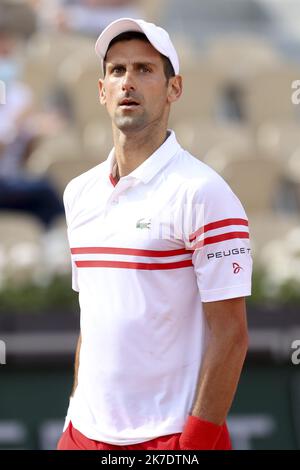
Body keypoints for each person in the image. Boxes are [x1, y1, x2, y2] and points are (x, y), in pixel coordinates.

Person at [57, 18, 252, 451]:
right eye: (117, 70)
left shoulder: (205, 192)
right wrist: (73, 416)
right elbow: (93, 320)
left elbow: (232, 336)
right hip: (82, 436)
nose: (128, 82)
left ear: (174, 89)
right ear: (101, 89)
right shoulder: (79, 193)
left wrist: (193, 445)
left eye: (145, 70)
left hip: (172, 440)